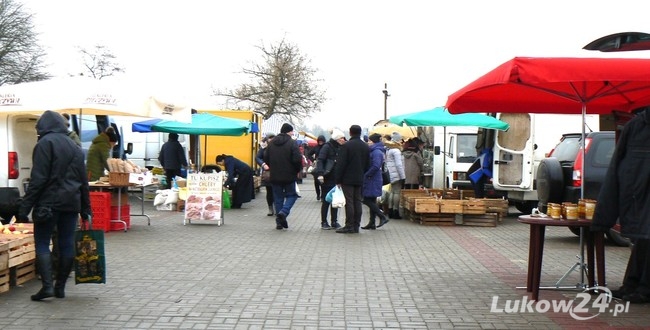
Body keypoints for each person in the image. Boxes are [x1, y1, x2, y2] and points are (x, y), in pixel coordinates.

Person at [17, 110, 92, 301]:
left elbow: (38, 180)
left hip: (48, 204)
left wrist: (24, 209)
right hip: (71, 204)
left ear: (44, 126)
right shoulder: (75, 147)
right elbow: (84, 181)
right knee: (67, 243)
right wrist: (86, 210)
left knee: (42, 243)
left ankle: (47, 287)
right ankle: (60, 287)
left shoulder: (44, 144)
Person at [591, 107, 650, 304]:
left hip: (635, 195)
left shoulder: (636, 125)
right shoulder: (636, 126)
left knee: (645, 238)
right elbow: (617, 167)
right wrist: (603, 217)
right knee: (644, 239)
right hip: (637, 195)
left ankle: (640, 287)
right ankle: (634, 285)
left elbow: (617, 166)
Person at [263, 123, 302, 230]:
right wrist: (297, 170)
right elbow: (297, 159)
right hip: (289, 175)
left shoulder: (271, 144)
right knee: (292, 195)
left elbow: (266, 157)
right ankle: (283, 212)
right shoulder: (292, 143)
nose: (292, 133)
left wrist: (273, 166)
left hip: (275, 175)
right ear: (289, 132)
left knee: (278, 198)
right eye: (292, 131)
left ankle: (279, 222)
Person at [335, 125, 369, 234]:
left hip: (347, 178)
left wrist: (338, 179)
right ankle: (356, 225)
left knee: (349, 202)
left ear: (350, 133)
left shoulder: (346, 146)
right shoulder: (365, 146)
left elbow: (341, 164)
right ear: (360, 133)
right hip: (359, 177)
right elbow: (368, 164)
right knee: (357, 201)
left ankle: (349, 225)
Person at [314, 129, 346, 230]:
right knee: (326, 200)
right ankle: (324, 221)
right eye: (341, 138)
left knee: (335, 200)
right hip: (327, 177)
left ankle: (334, 221)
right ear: (336, 138)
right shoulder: (327, 147)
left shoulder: (341, 147)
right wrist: (320, 174)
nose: (343, 139)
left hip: (336, 178)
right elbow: (320, 160)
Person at [361, 133, 389, 230]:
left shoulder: (376, 152)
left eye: (369, 141)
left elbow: (376, 166)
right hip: (374, 178)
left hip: (372, 179)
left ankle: (382, 216)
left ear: (373, 142)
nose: (368, 143)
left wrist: (366, 175)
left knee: (366, 200)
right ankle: (372, 222)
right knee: (372, 200)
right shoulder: (376, 150)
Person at [384, 133, 406, 219]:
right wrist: (403, 176)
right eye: (401, 139)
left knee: (392, 192)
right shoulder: (396, 151)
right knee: (397, 192)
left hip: (391, 174)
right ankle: (395, 210)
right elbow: (399, 165)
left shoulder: (389, 149)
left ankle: (390, 210)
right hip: (396, 174)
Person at [256, 134, 276, 216]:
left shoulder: (278, 146)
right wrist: (263, 164)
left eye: (272, 138)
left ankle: (277, 207)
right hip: (267, 172)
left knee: (277, 190)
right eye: (270, 138)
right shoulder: (263, 147)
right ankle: (270, 208)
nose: (271, 140)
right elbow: (257, 157)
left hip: (278, 171)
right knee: (269, 191)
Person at [309, 135, 327, 201]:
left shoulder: (326, 147)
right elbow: (309, 154)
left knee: (322, 182)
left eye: (322, 141)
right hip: (316, 165)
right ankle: (318, 194)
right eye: (319, 141)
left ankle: (323, 195)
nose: (320, 142)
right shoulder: (316, 147)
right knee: (316, 181)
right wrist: (313, 160)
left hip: (323, 165)